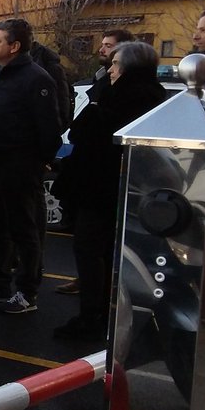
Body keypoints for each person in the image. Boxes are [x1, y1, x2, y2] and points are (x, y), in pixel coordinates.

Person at [52, 42, 167, 340]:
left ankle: (92, 315)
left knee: (90, 250)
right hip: (116, 188)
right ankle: (104, 312)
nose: (111, 70)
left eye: (116, 64)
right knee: (103, 252)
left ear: (130, 67)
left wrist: (95, 102)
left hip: (101, 187)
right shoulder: (152, 97)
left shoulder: (124, 98)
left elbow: (83, 130)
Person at [0, 18, 60, 314]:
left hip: (19, 166)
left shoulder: (36, 79)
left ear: (14, 46)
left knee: (23, 229)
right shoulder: (0, 74)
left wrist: (39, 162)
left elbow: (49, 127)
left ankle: (27, 292)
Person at [55, 28, 135, 296]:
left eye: (109, 47)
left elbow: (93, 130)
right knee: (87, 241)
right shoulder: (101, 79)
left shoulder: (123, 94)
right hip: (90, 175)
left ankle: (98, 295)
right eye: (103, 45)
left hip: (103, 180)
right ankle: (89, 284)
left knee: (96, 241)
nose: (102, 50)